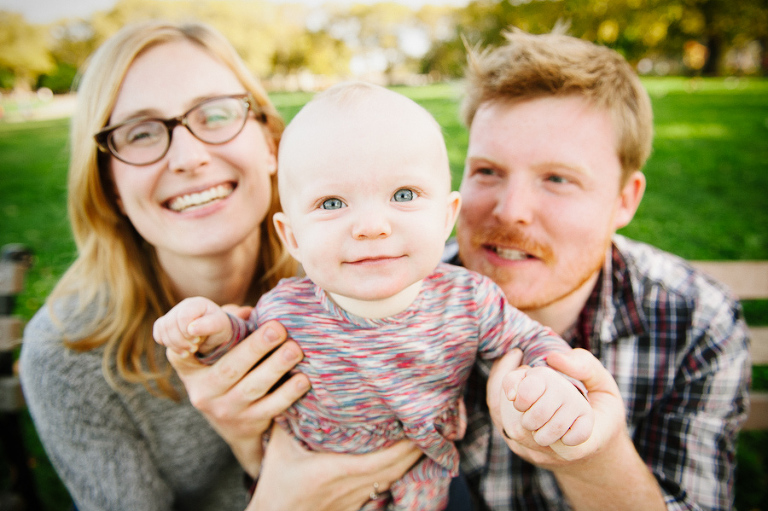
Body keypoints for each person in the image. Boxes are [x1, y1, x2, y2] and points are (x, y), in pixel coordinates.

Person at [19, 21, 420, 511]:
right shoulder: (67, 354)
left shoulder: (358, 266)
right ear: (109, 185)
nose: (189, 158)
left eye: (215, 115)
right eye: (141, 133)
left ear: (271, 143)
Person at [153, 81, 593, 511]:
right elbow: (239, 350)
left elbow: (532, 342)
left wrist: (554, 382)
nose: (371, 225)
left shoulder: (468, 300)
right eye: (331, 203)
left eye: (403, 195)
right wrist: (210, 331)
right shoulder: (286, 309)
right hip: (310, 491)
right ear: (293, 238)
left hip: (429, 485)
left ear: (446, 218)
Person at [440, 28, 752, 510]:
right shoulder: (397, 303)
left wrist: (592, 458)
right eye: (487, 170)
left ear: (625, 200)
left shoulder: (693, 322)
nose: (509, 210)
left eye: (557, 178)